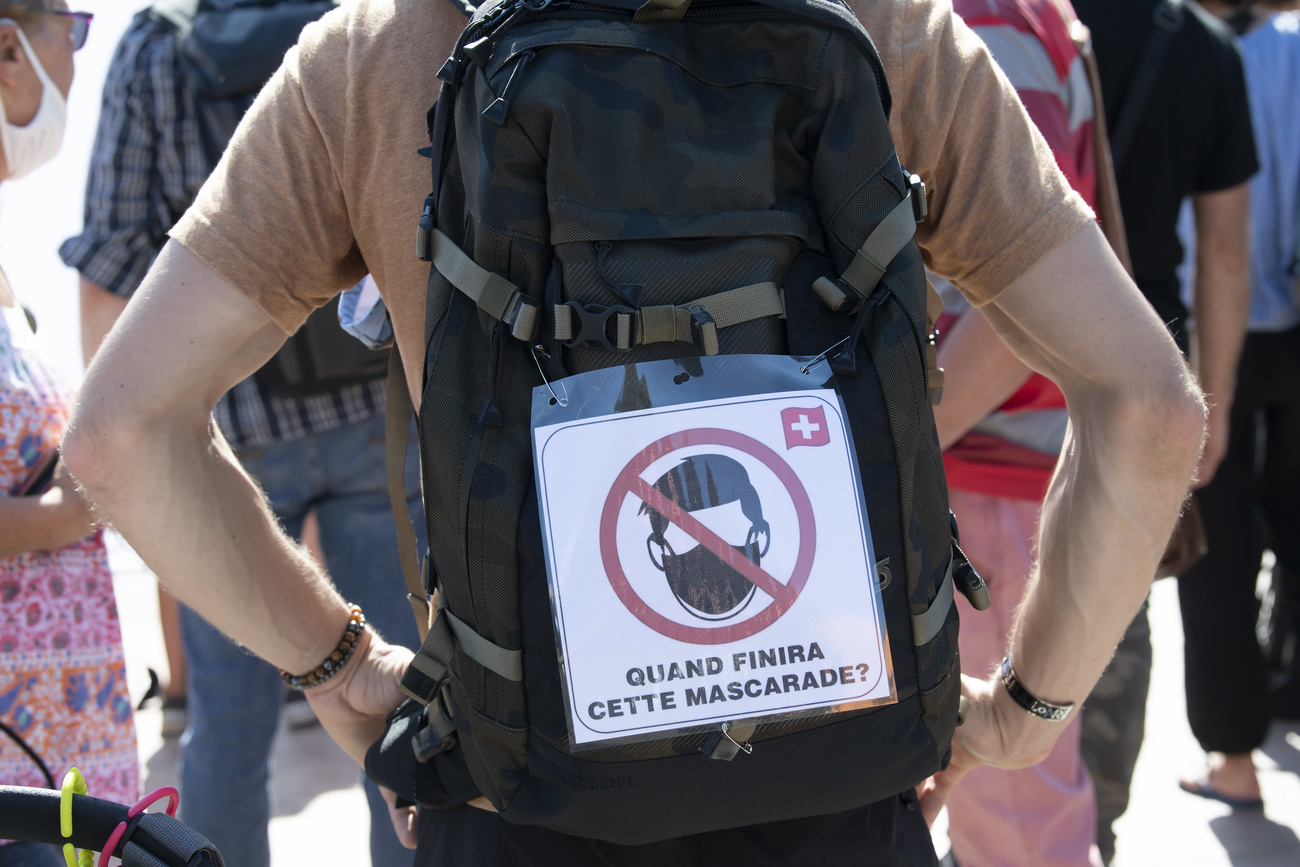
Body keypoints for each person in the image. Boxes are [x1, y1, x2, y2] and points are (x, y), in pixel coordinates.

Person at [60, 0, 1207, 863]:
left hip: (512, 785)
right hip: (837, 772)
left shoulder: (375, 52)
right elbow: (1149, 409)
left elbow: (121, 434)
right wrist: (1020, 711)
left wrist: (342, 667)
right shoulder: (882, 27)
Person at [56, 4, 423, 865]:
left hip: (229, 429)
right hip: (376, 417)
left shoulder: (154, 45)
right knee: (411, 701)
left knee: (226, 720)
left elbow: (114, 243)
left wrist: (128, 410)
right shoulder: (356, 25)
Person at [1070, 0, 1256, 859]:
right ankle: (1092, 819)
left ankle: (1006, 816)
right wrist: (1210, 401)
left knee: (983, 587)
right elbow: (1224, 249)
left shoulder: (1017, 22)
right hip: (1147, 369)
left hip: (1008, 356)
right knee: (1114, 608)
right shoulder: (1207, 50)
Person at [934, 0, 1105, 863]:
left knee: (1014, 813)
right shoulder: (1020, 13)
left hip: (983, 478)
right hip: (995, 476)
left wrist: (896, 446)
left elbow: (1030, 288)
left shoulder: (981, 19)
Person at [0, 5, 139, 866]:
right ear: (8, 52)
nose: (77, 56)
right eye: (71, 26)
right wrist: (76, 504)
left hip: (46, 743)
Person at [1172, 0, 1300, 811]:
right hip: (1293, 325)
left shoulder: (1183, 46)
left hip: (1199, 328)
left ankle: (1233, 759)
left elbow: (1216, 242)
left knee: (1214, 547)